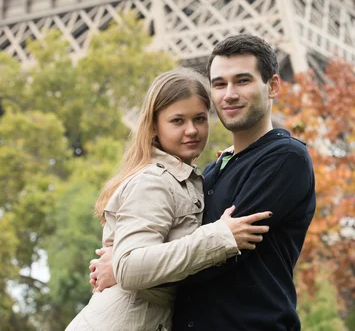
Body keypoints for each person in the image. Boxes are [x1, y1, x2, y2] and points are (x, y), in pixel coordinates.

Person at [90, 34, 317, 330]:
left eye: (243, 81)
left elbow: (225, 254)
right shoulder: (208, 173)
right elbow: (191, 244)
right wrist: (129, 263)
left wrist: (125, 268)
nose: (229, 94)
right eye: (220, 84)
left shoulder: (285, 157)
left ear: (272, 86)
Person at [66, 68, 272, 331]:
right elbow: (130, 267)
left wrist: (233, 162)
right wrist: (219, 237)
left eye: (199, 119)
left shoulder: (184, 180)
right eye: (177, 121)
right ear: (154, 126)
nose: (192, 130)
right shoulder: (153, 181)